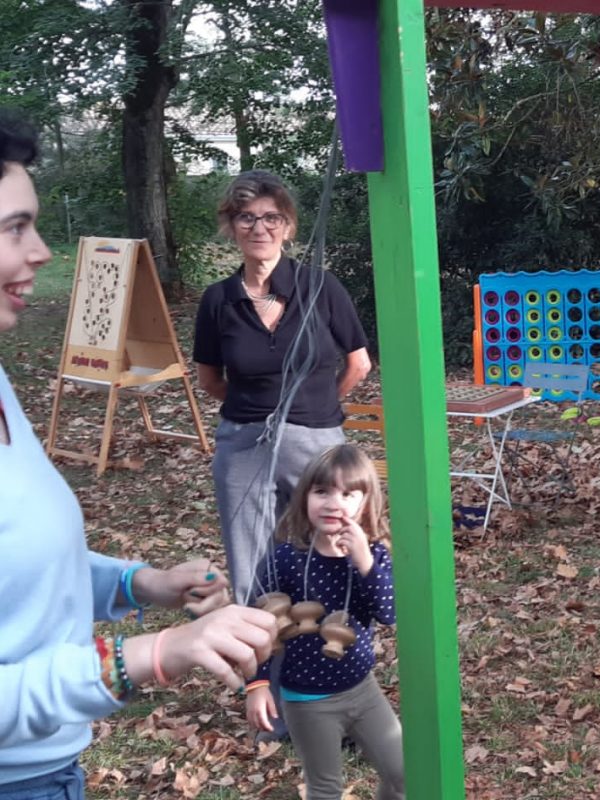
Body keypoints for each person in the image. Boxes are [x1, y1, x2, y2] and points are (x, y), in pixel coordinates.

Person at [0, 114, 278, 798]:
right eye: (14, 229)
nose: (40, 251)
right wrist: (147, 658)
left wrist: (139, 584)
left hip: (48, 768)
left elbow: (21, 568)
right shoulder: (220, 301)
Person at [193, 170, 372, 607]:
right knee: (250, 564)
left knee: (329, 544)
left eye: (271, 218)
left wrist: (317, 405)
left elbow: (358, 363)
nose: (259, 228)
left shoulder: (321, 288)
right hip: (243, 444)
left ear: (288, 227)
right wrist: (256, 408)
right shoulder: (218, 300)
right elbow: (209, 379)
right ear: (231, 227)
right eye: (246, 218)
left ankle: (332, 648)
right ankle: (257, 664)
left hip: (317, 441)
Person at [245, 444, 404, 800]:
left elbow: (388, 612)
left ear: (365, 503)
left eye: (348, 493)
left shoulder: (373, 553)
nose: (334, 503)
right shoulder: (285, 558)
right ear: (304, 498)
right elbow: (260, 626)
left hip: (363, 691)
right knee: (325, 788)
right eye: (322, 491)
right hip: (307, 700)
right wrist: (257, 685)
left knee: (402, 775)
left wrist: (364, 563)